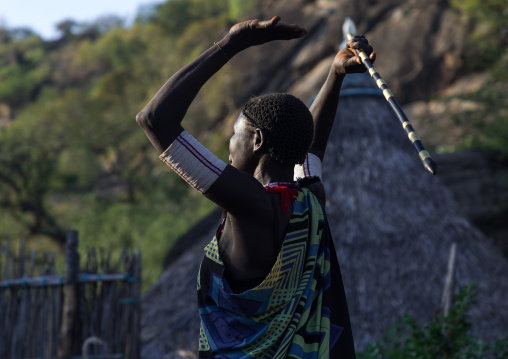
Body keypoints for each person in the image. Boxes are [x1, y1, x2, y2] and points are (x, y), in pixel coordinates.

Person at [136, 15, 375, 359]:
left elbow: (154, 119)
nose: (229, 144)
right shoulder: (309, 199)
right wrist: (335, 76)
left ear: (257, 140)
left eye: (235, 134)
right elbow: (312, 149)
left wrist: (231, 44)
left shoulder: (250, 203)